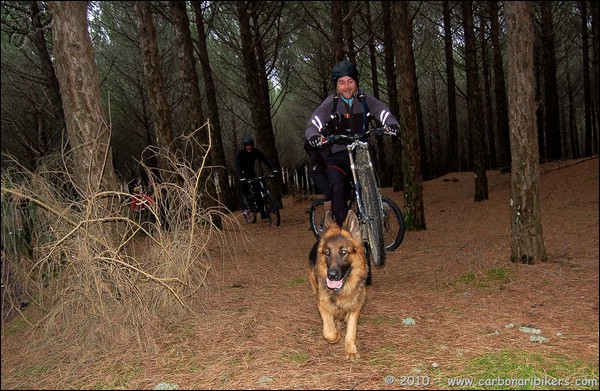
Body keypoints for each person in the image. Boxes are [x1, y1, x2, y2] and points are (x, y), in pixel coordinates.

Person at [305, 59, 399, 226]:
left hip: (361, 150)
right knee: (337, 189)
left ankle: (374, 210)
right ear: (336, 85)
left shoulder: (365, 100)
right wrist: (314, 135)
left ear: (356, 83)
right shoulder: (331, 104)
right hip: (338, 154)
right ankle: (344, 232)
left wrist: (391, 124)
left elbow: (382, 112)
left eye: (350, 81)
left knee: (368, 178)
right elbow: (314, 122)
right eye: (341, 83)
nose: (346, 87)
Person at [235, 136, 278, 218]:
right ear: (245, 146)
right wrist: (240, 176)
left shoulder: (255, 152)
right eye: (247, 146)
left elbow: (265, 159)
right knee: (245, 188)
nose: (249, 147)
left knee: (259, 190)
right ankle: (246, 202)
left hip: (251, 173)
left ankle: (262, 211)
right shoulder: (240, 153)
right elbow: (238, 166)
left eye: (251, 145)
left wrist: (273, 168)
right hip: (243, 173)